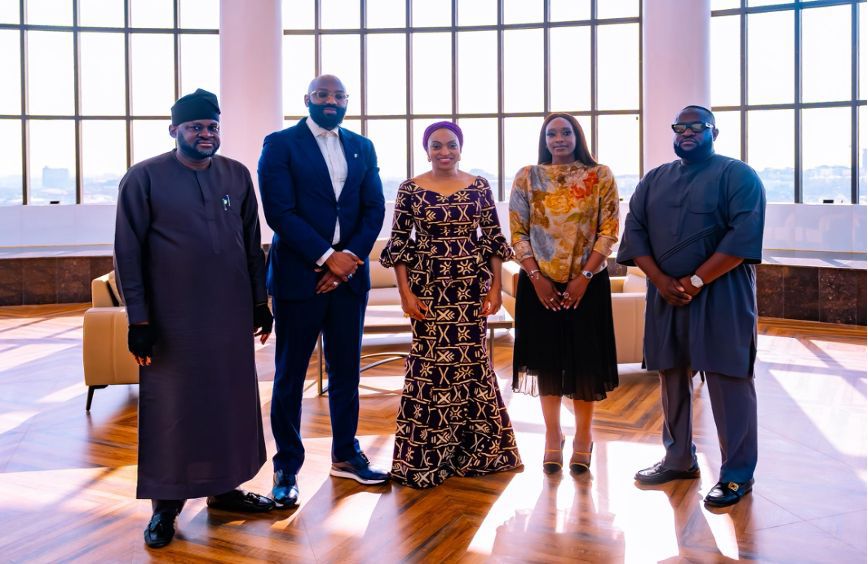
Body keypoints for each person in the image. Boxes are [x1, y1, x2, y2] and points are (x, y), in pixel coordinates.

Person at [114, 89, 276, 549]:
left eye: (212, 127)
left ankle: (225, 489)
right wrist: (139, 321)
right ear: (175, 131)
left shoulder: (237, 176)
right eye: (195, 127)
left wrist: (259, 303)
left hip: (228, 316)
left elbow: (250, 245)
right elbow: (128, 252)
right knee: (174, 407)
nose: (206, 134)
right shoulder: (143, 178)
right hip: (172, 319)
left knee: (228, 400)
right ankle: (165, 507)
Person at [617, 105, 766, 507]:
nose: (686, 131)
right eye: (679, 126)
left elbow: (743, 234)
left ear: (714, 132)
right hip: (666, 295)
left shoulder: (738, 175)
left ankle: (736, 475)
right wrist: (661, 281)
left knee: (728, 379)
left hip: (722, 293)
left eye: (696, 126)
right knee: (671, 374)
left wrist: (697, 280)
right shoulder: (654, 180)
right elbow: (635, 231)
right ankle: (678, 457)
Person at [258, 74, 388, 506]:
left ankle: (346, 455)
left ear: (347, 102)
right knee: (290, 375)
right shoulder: (280, 144)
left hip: (348, 281)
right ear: (307, 99)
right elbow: (279, 211)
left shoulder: (362, 146)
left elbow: (373, 208)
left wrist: (347, 259)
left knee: (347, 371)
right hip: (300, 277)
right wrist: (324, 256)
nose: (330, 101)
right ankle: (286, 466)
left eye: (338, 96)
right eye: (322, 95)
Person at [380, 121, 522, 488]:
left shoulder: (479, 186)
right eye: (437, 146)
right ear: (426, 150)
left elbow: (492, 239)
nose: (445, 152)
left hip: (470, 289)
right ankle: (428, 456)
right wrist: (405, 293)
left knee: (472, 361)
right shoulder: (410, 189)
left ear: (461, 148)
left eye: (451, 145)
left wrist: (493, 291)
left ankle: (477, 452)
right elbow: (398, 247)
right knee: (430, 363)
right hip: (428, 287)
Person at [508, 113, 620, 475]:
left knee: (585, 363)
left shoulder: (599, 175)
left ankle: (584, 437)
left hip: (587, 285)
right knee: (547, 363)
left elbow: (609, 230)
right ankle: (553, 437)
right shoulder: (528, 176)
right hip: (538, 285)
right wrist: (536, 276)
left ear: (577, 136)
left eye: (566, 132)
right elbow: (517, 231)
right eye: (552, 133)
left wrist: (585, 276)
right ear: (544, 138)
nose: (559, 138)